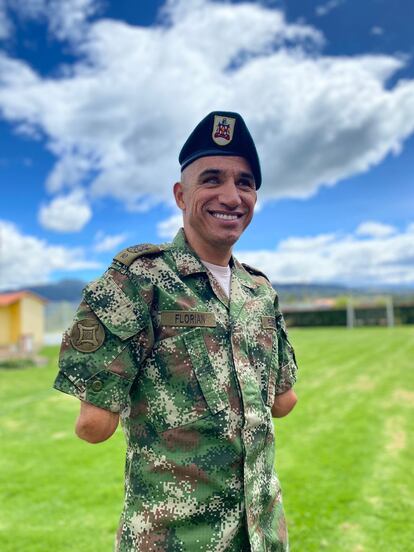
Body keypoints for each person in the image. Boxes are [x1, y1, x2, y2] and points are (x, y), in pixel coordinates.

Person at [53, 111, 298, 552]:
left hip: (263, 537)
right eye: (212, 179)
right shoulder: (136, 282)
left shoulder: (259, 291)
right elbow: (93, 425)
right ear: (180, 194)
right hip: (175, 541)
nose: (231, 195)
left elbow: (284, 401)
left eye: (245, 183)